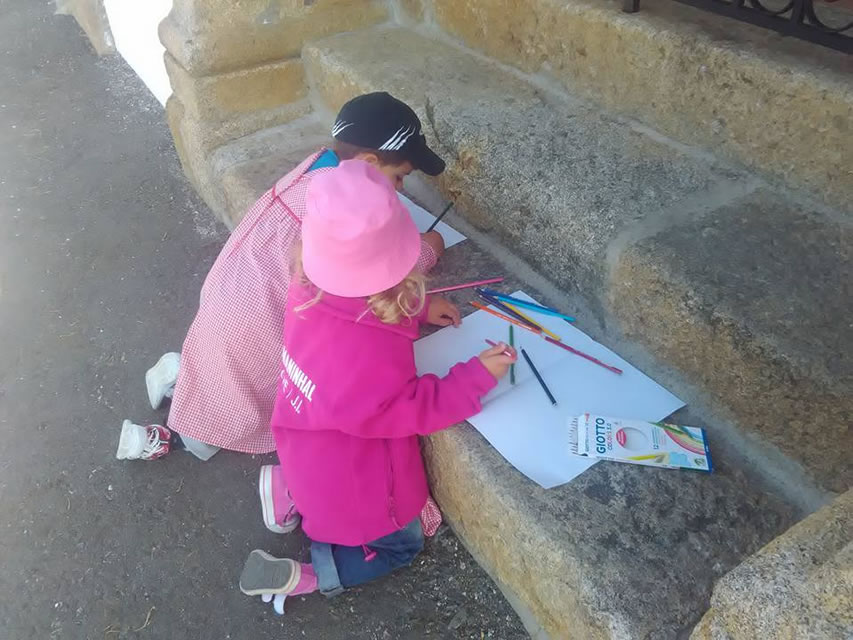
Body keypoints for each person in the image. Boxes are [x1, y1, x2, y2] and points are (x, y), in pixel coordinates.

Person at [237, 159, 516, 612]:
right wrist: (475, 378)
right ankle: (311, 574)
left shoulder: (307, 285)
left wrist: (419, 308)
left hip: (304, 444)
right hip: (352, 480)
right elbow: (409, 409)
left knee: (317, 477)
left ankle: (290, 491)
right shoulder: (362, 356)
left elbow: (359, 296)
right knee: (401, 545)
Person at [115, 92, 447, 464]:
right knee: (232, 412)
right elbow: (376, 268)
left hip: (228, 294)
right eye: (399, 177)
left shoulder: (320, 169)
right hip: (255, 326)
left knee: (222, 370)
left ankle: (180, 373)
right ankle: (165, 437)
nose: (400, 189)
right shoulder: (340, 212)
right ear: (368, 163)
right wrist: (427, 249)